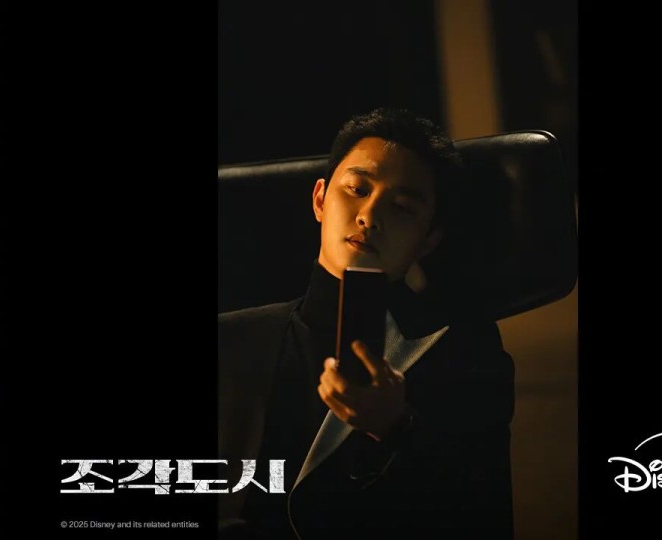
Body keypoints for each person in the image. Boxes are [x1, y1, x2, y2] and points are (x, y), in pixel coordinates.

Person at [218, 108, 515, 538]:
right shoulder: (233, 340)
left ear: (428, 239)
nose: (370, 216)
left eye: (402, 207)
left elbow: (483, 517)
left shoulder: (463, 352)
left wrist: (396, 429)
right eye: (357, 189)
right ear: (320, 199)